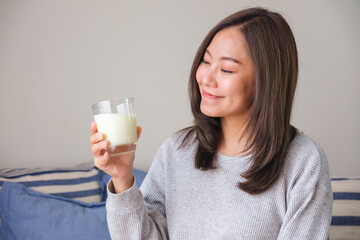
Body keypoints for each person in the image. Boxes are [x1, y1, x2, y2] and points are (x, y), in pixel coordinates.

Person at [90, 7, 333, 240]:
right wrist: (122, 178)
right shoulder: (178, 150)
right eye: (206, 61)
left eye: (226, 69)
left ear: (266, 81)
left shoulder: (304, 161)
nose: (205, 78)